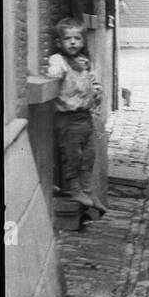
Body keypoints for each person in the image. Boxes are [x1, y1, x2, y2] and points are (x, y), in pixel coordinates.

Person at [47, 18, 104, 224]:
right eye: (67, 39)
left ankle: (88, 190)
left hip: (85, 117)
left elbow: (93, 81)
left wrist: (97, 90)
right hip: (67, 118)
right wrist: (56, 71)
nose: (73, 42)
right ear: (59, 42)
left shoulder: (84, 61)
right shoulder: (58, 60)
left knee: (88, 155)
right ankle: (75, 190)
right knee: (72, 156)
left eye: (77, 38)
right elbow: (54, 72)